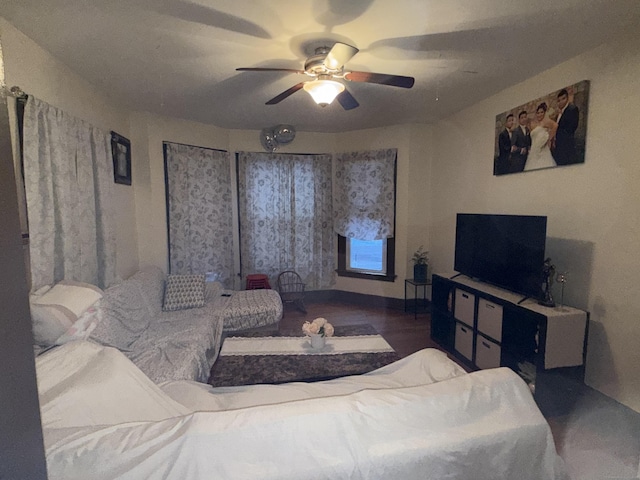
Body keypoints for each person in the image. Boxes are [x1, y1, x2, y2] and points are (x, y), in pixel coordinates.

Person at [524, 102, 557, 171]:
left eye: (541, 112)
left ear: (544, 113)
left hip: (543, 150)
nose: (539, 114)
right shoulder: (533, 124)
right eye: (538, 113)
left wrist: (549, 138)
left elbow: (555, 126)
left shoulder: (546, 122)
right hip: (534, 150)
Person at [551, 88, 580, 165]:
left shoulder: (572, 109)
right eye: (559, 100)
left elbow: (571, 127)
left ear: (567, 98)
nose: (560, 102)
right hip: (559, 147)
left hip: (566, 146)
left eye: (563, 99)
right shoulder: (560, 113)